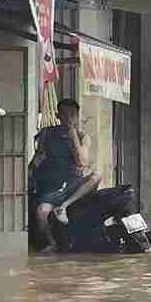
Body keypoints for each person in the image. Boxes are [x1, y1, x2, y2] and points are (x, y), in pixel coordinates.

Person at [30, 98, 101, 247]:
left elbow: (82, 161)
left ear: (77, 116)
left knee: (96, 176)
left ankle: (63, 207)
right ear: (58, 115)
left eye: (72, 114)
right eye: (65, 114)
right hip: (54, 186)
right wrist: (30, 173)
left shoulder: (83, 137)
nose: (68, 118)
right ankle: (51, 243)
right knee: (41, 212)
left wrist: (73, 135)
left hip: (74, 185)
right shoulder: (47, 133)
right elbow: (38, 157)